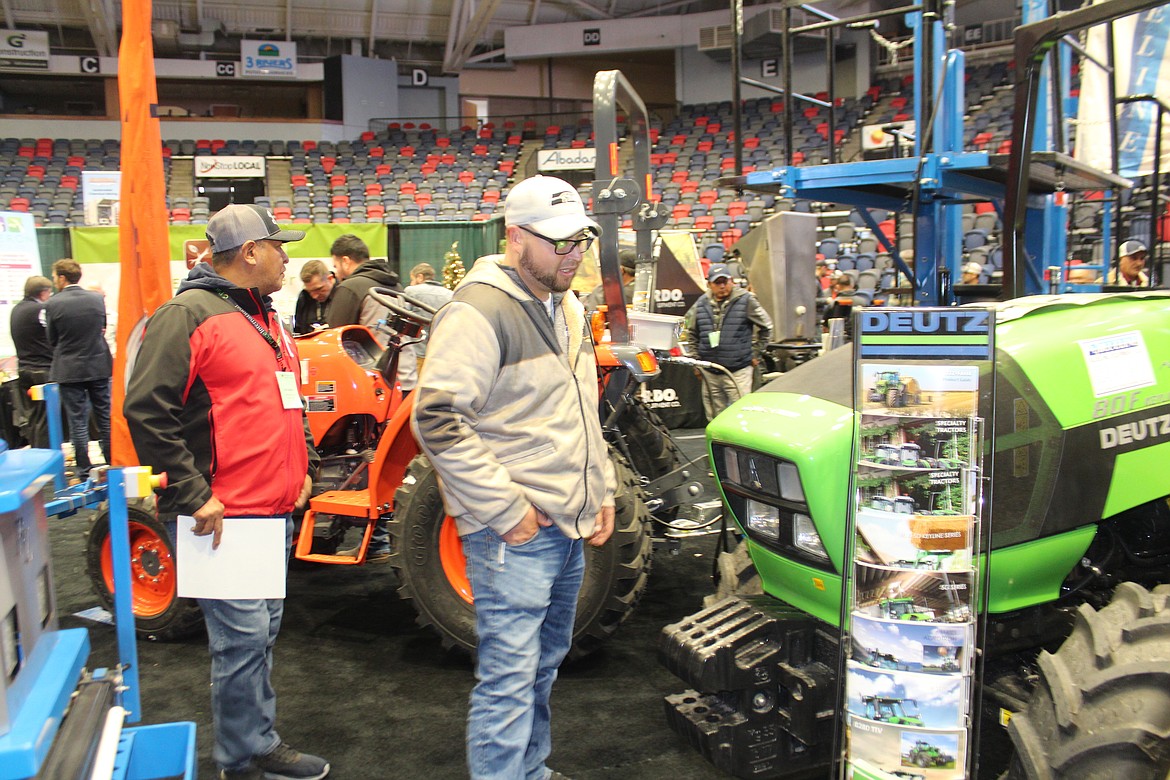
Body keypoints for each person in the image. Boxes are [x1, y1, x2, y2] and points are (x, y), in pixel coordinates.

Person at [412, 174, 615, 780]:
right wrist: (506, 511)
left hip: (567, 524)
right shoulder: (477, 311)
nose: (573, 255)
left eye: (580, 241)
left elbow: (582, 409)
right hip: (514, 535)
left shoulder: (569, 303)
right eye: (558, 243)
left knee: (543, 664)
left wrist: (599, 487)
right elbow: (438, 420)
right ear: (515, 237)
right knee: (508, 676)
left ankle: (531, 771)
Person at [124, 204, 329, 780]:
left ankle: (256, 743)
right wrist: (192, 492)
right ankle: (241, 759)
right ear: (249, 252)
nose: (288, 256)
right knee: (241, 644)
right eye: (279, 246)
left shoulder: (266, 318)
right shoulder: (188, 314)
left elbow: (290, 398)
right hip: (223, 514)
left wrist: (306, 463)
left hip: (268, 510)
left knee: (259, 637)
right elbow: (146, 408)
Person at [45, 258, 113, 476]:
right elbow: (102, 328)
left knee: (78, 420)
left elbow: (52, 338)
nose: (54, 280)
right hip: (98, 365)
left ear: (62, 278)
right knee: (105, 417)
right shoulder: (96, 298)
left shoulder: (53, 303)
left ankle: (84, 469)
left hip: (69, 368)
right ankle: (114, 463)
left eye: (55, 276)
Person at [681, 262, 774, 421]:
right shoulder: (701, 303)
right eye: (718, 282)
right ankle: (719, 447)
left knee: (742, 414)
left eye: (726, 281)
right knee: (715, 417)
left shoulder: (746, 300)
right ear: (709, 284)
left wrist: (755, 354)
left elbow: (767, 327)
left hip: (738, 370)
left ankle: (742, 445)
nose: (722, 286)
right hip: (710, 371)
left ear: (731, 281)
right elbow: (691, 333)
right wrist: (696, 362)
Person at [326, 234, 400, 345]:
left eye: (336, 266)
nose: (336, 274)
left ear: (345, 261)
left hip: (372, 360)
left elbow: (335, 336)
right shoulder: (397, 286)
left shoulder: (350, 287)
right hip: (406, 359)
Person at [395, 261, 453, 395]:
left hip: (417, 355)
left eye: (412, 279)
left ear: (420, 277)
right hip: (439, 356)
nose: (411, 283)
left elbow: (402, 321)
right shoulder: (450, 294)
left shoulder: (411, 292)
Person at [9, 275, 54, 448]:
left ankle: (37, 451)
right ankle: (45, 457)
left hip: (24, 369)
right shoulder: (41, 310)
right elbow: (53, 336)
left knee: (34, 418)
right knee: (45, 419)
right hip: (41, 371)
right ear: (43, 293)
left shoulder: (17, 309)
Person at [292, 259, 336, 334]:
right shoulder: (304, 297)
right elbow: (298, 330)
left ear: (330, 279)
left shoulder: (344, 294)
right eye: (310, 291)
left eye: (319, 289)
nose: (314, 296)